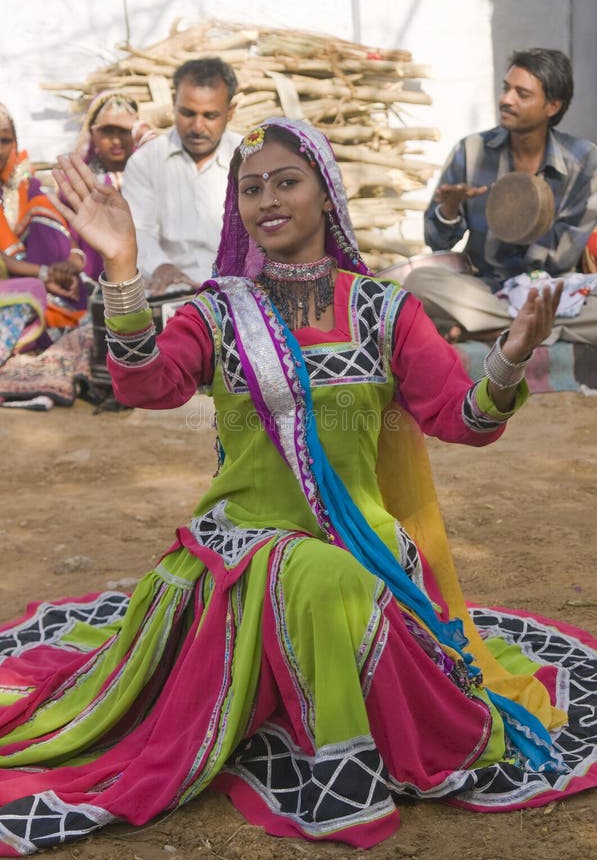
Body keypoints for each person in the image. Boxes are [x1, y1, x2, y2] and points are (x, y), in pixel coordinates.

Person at [0, 117, 593, 856]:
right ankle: (342, 777)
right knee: (314, 575)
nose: (267, 200)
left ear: (326, 193)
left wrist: (506, 357)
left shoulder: (384, 310)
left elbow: (463, 419)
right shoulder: (220, 311)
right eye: (250, 189)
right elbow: (146, 385)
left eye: (286, 182)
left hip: (366, 549)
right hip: (240, 548)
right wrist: (122, 265)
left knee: (331, 573)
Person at [407, 48, 597, 344]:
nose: (506, 100)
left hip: (553, 293)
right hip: (486, 289)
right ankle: (531, 330)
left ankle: (497, 329)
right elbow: (436, 242)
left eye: (522, 93)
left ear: (552, 106)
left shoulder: (584, 161)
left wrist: (518, 223)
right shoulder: (471, 151)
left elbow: (562, 256)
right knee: (419, 282)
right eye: (506, 88)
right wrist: (449, 209)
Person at [121, 56, 241, 293]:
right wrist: (160, 267)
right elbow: (138, 231)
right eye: (188, 113)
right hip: (168, 287)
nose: (197, 127)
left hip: (238, 285)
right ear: (173, 105)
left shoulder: (249, 158)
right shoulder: (146, 161)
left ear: (230, 112)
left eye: (210, 116)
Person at [0, 102, 84, 361]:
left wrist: (69, 265)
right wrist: (43, 275)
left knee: (41, 208)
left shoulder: (25, 186)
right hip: (14, 286)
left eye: (3, 140)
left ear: (15, 143)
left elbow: (68, 243)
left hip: (26, 284)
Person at [69, 90, 154, 282]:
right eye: (107, 131)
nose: (116, 140)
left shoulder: (152, 173)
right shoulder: (79, 181)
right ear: (92, 132)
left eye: (124, 131)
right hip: (96, 281)